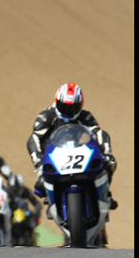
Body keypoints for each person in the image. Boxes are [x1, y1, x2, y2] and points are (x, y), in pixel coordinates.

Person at [27, 82, 117, 210]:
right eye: (64, 106)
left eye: (72, 108)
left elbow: (99, 133)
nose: (68, 111)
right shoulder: (46, 116)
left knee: (110, 163)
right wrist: (39, 164)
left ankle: (105, 193)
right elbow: (34, 139)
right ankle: (53, 197)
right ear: (56, 101)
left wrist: (106, 153)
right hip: (54, 157)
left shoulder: (85, 116)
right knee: (40, 186)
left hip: (79, 155)